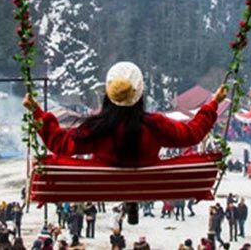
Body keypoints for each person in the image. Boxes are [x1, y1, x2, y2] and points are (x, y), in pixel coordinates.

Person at [23, 61, 226, 225]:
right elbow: (192, 134)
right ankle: (132, 200)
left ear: (108, 94)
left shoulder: (97, 129)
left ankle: (130, 200)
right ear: (140, 94)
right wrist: (213, 103)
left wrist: (36, 112)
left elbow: (59, 143)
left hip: (105, 185)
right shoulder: (155, 125)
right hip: (148, 182)